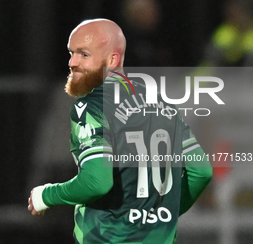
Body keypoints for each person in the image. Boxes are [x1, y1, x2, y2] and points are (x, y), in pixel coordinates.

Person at [28, 18, 212, 244]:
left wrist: (46, 195)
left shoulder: (93, 106)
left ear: (112, 59)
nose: (73, 62)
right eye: (71, 53)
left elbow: (97, 182)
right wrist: (162, 216)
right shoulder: (162, 103)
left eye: (84, 55)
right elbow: (201, 172)